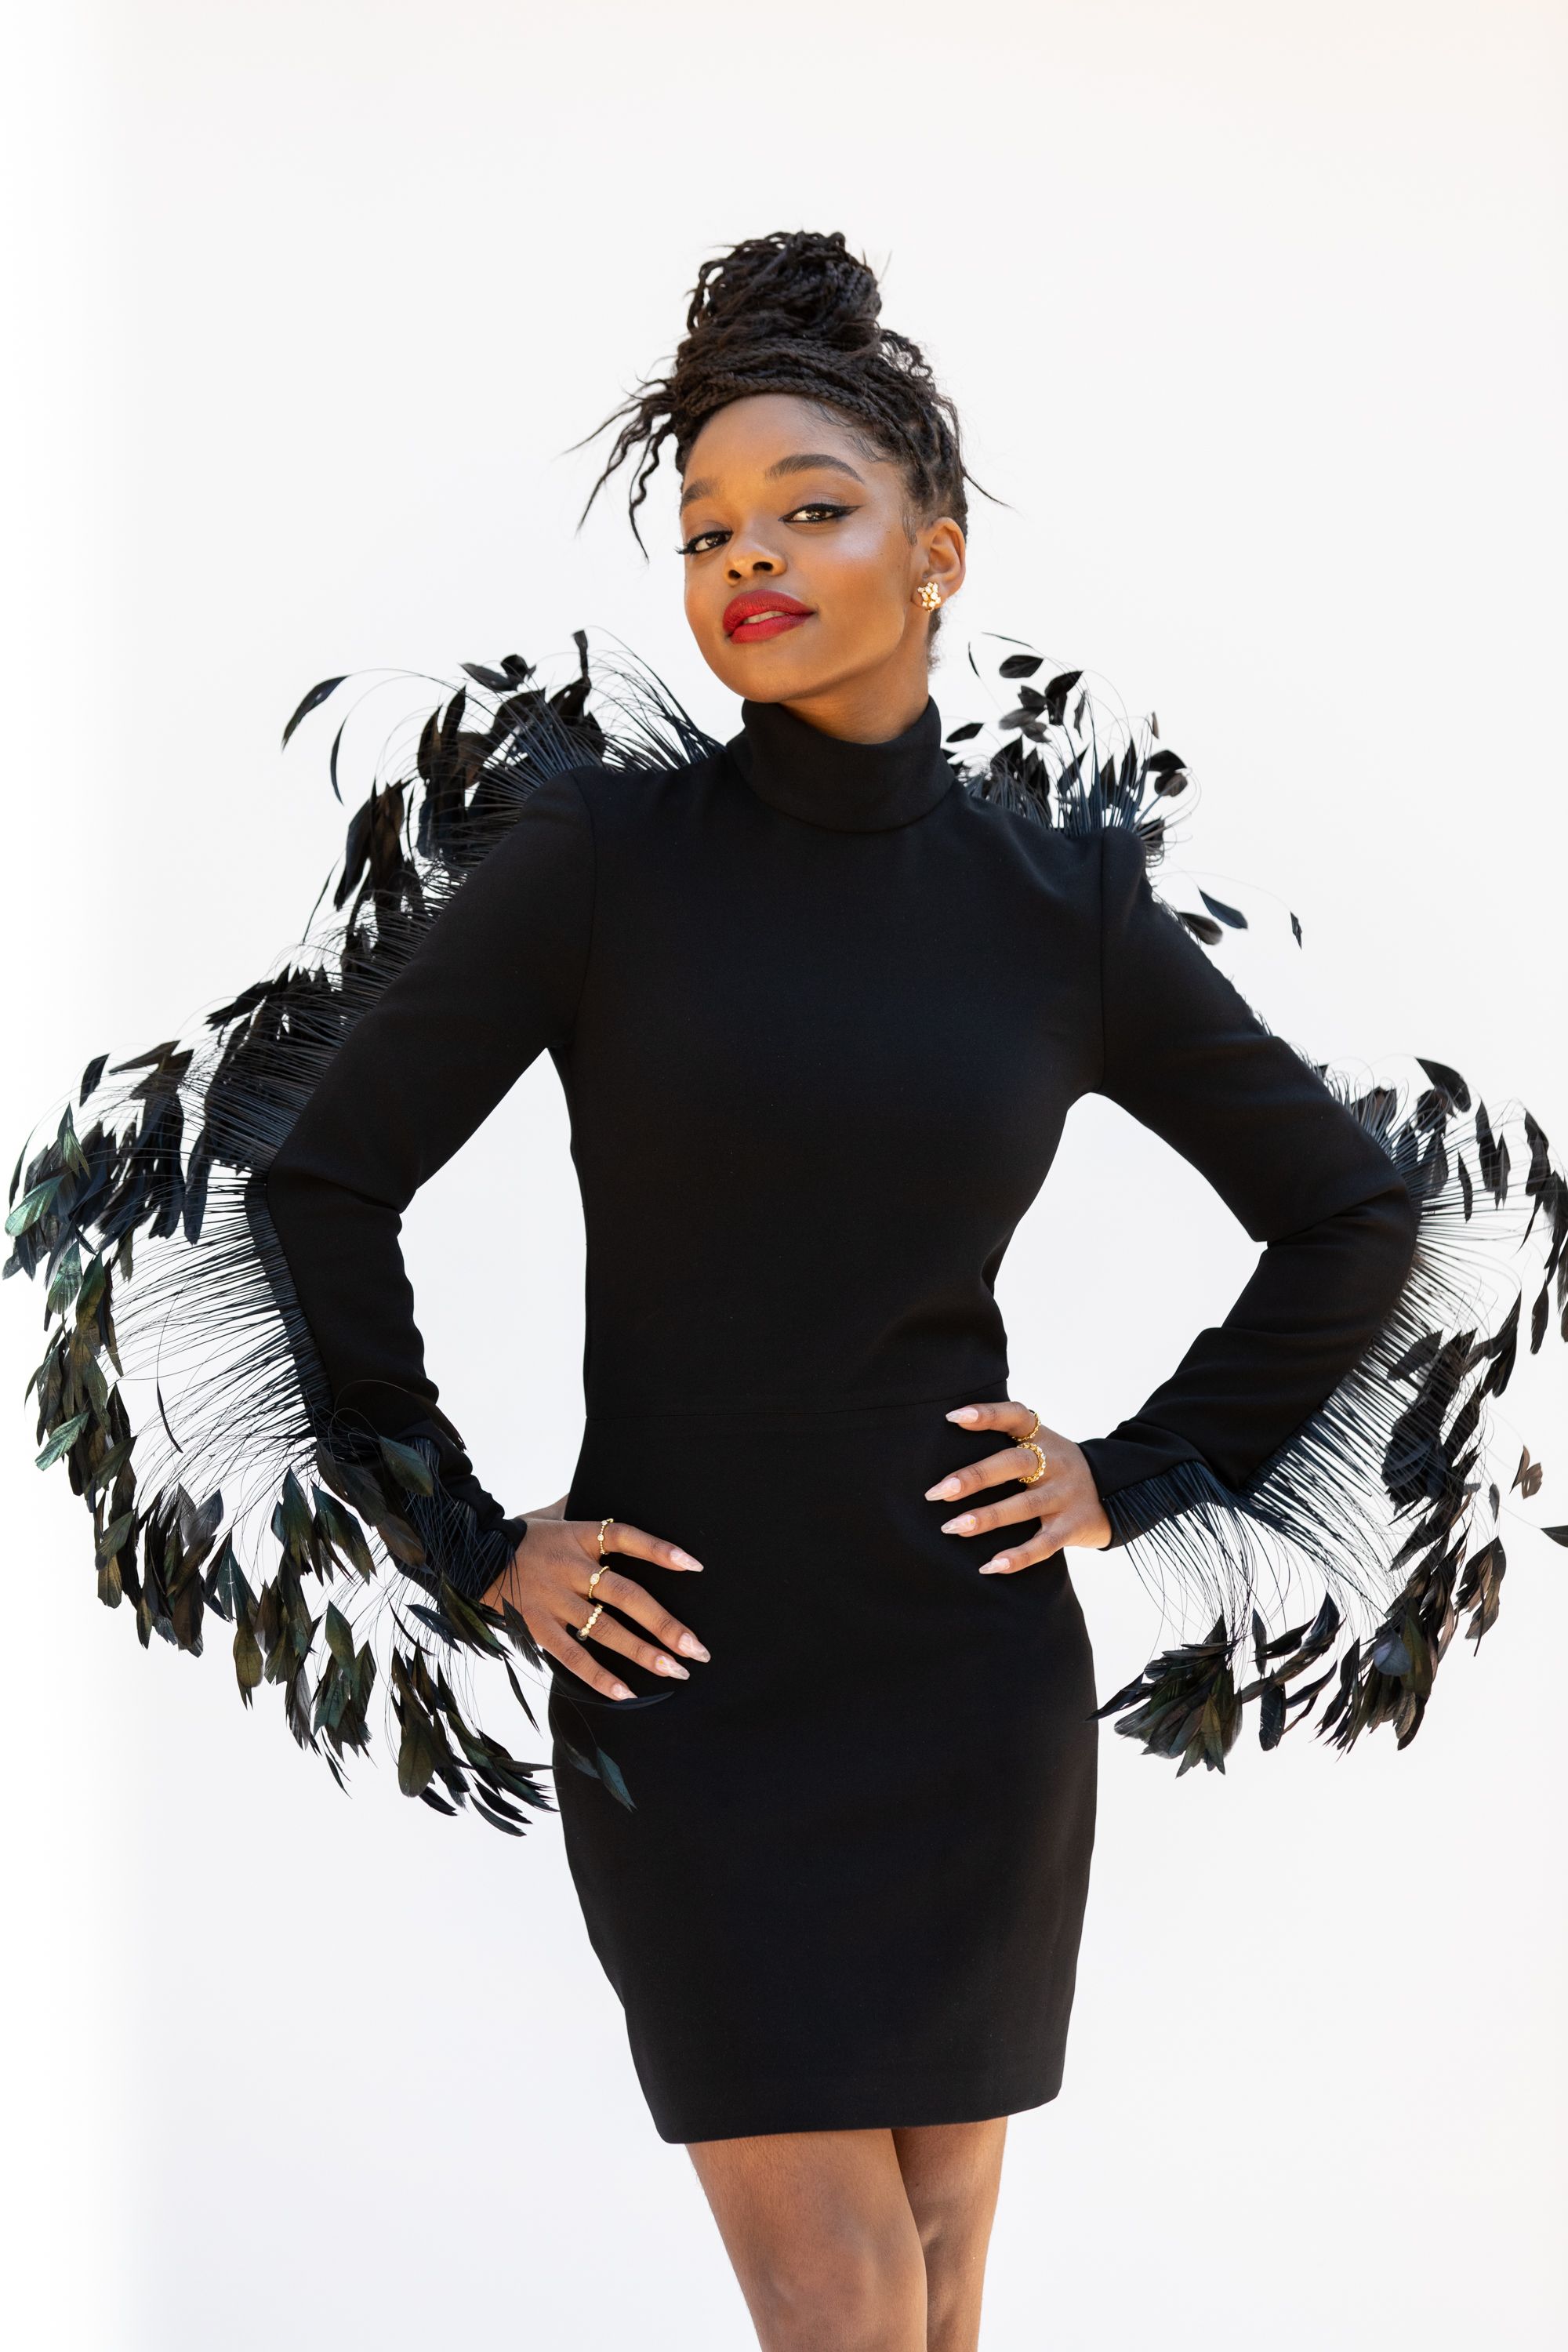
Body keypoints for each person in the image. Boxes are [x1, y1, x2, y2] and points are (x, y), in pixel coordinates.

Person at [13, 230, 1563, 2352]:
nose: (747, 556)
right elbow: (322, 1182)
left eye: (810, 510)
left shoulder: (1063, 902)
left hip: (966, 1675)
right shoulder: (596, 862)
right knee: (839, 2303)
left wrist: (1133, 1473)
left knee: (938, 2287)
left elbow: (1353, 1215)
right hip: (691, 1677)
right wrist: (466, 1540)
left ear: (937, 554)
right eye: (708, 528)